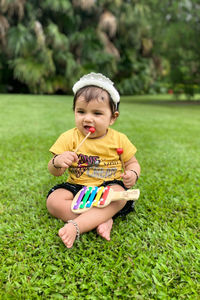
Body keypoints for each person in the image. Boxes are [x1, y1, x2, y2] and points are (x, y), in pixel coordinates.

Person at [47, 72, 141, 248]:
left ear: (113, 118)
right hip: (77, 186)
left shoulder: (119, 139)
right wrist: (57, 161)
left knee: (118, 197)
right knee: (53, 201)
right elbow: (54, 171)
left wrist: (133, 173)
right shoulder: (69, 138)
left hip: (108, 186)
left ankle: (78, 225)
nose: (87, 118)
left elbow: (132, 163)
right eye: (81, 111)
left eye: (97, 113)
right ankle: (102, 217)